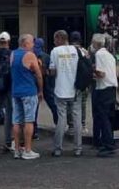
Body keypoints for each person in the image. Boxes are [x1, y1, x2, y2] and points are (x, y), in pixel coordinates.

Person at [49, 29, 83, 157]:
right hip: (75, 90)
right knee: (77, 119)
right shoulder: (77, 50)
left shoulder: (55, 51)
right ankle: (78, 148)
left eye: (54, 39)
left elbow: (52, 71)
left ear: (59, 38)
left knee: (61, 120)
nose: (54, 42)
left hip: (60, 89)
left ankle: (58, 148)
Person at [10, 34, 43, 160]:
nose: (33, 45)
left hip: (16, 91)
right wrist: (41, 90)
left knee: (17, 121)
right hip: (28, 91)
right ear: (25, 44)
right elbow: (39, 75)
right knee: (29, 120)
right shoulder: (30, 55)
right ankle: (28, 150)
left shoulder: (13, 54)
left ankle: (17, 149)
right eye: (31, 42)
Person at [92, 33, 118, 158]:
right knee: (108, 117)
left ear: (95, 43)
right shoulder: (110, 55)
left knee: (104, 119)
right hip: (112, 89)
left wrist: (92, 70)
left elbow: (101, 74)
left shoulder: (99, 54)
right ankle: (109, 142)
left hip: (103, 89)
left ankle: (108, 145)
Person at [34, 37, 57, 140]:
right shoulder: (47, 56)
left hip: (35, 84)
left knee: (34, 109)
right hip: (47, 84)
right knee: (53, 105)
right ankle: (58, 125)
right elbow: (51, 72)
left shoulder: (31, 55)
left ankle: (34, 132)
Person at [67, 31, 89, 135]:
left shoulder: (66, 51)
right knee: (82, 103)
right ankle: (83, 125)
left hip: (70, 81)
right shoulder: (84, 51)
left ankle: (71, 126)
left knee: (70, 103)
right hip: (82, 82)